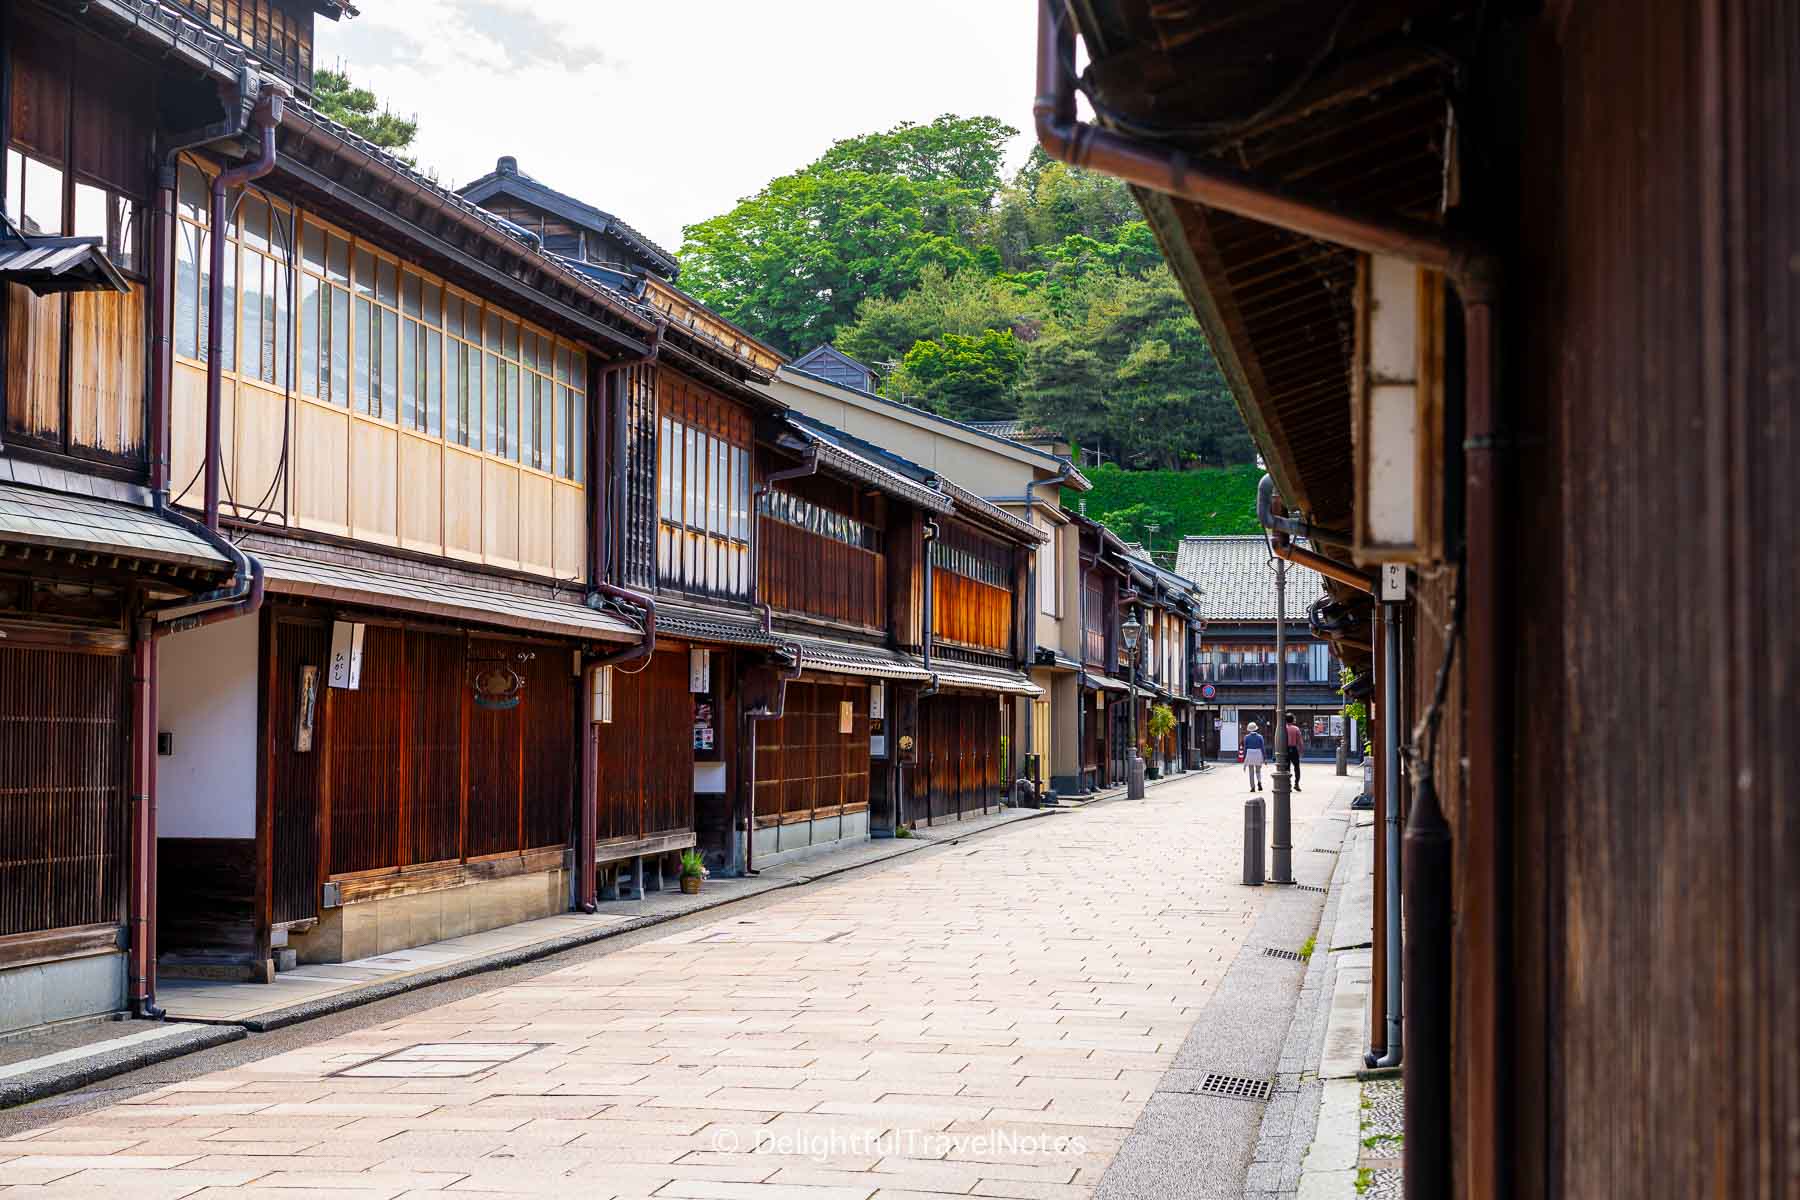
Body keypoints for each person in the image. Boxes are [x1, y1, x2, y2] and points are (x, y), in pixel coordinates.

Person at [1243, 721, 1266, 792]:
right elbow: (1262, 747)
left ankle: (1252, 787)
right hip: (1258, 754)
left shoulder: (1246, 737)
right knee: (1258, 771)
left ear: (1249, 729)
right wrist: (1264, 758)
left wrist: (1244, 757)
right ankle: (1259, 782)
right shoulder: (1260, 737)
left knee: (1251, 772)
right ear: (1256, 729)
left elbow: (1245, 748)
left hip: (1250, 754)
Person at [1285, 713, 1304, 791]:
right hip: (1294, 749)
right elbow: (1300, 741)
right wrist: (1301, 751)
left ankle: (1288, 784)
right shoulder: (1296, 729)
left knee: (1286, 768)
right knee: (1296, 767)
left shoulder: (1283, 728)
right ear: (1292, 720)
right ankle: (1296, 784)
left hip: (1285, 750)